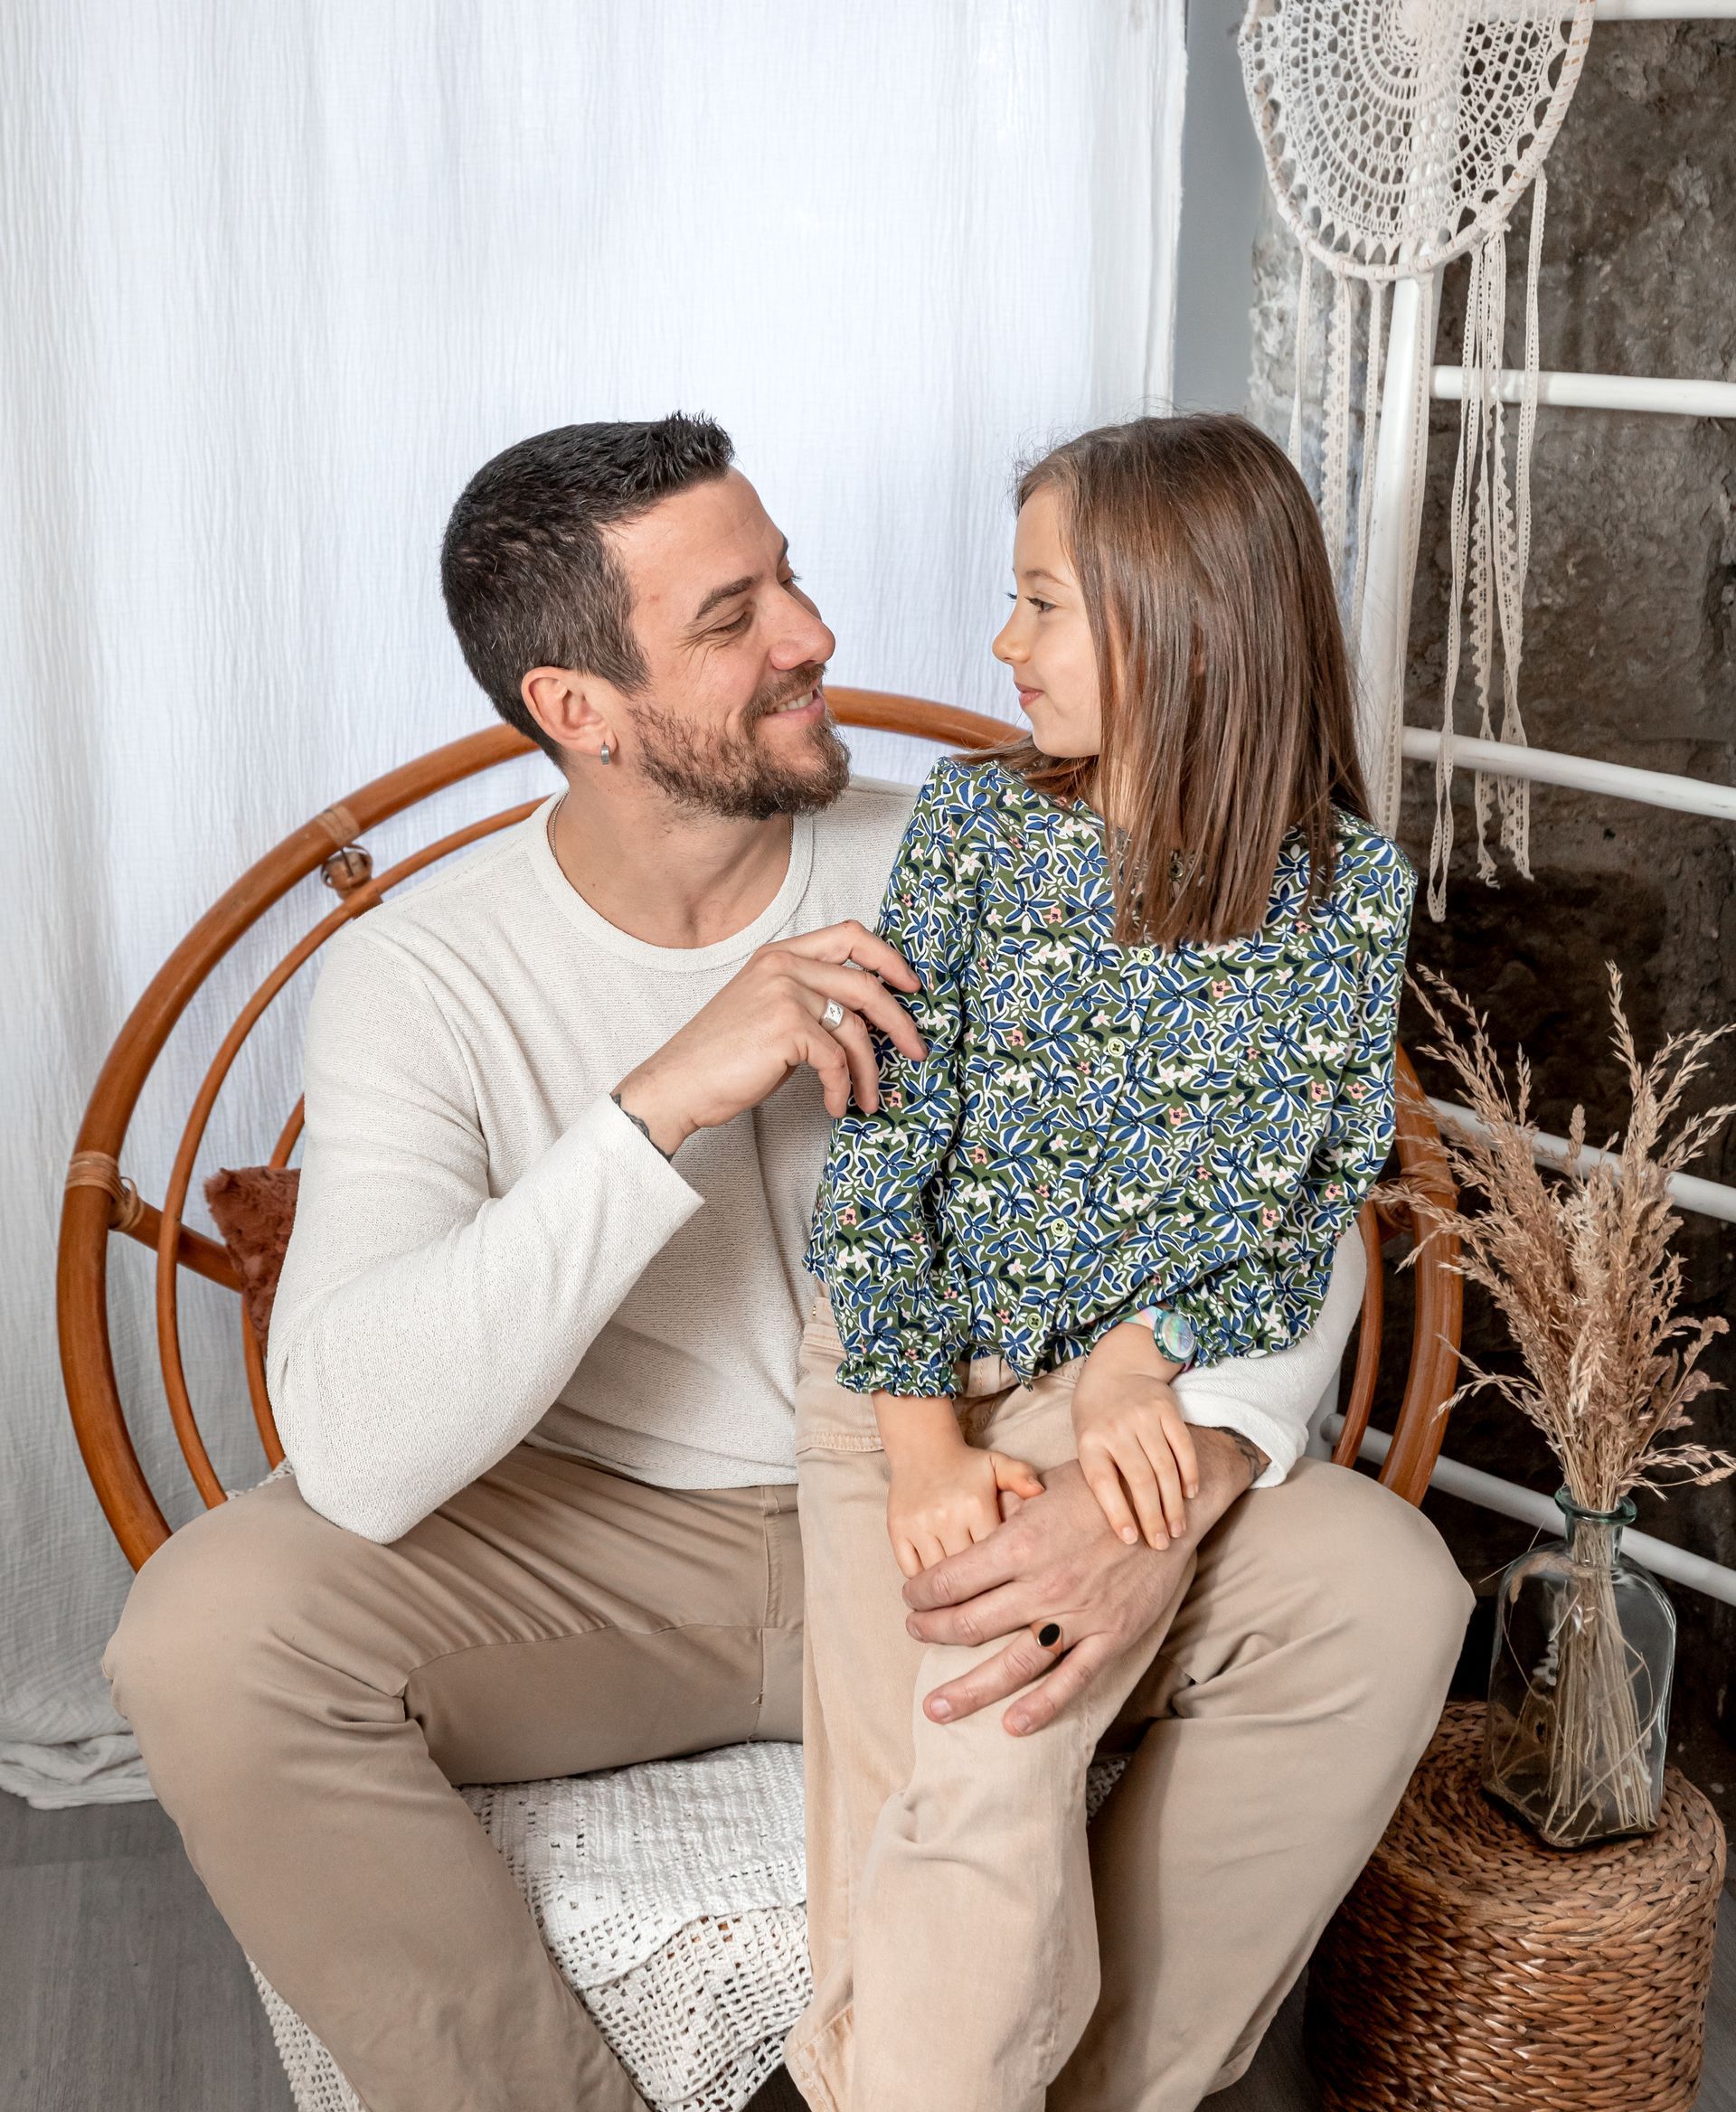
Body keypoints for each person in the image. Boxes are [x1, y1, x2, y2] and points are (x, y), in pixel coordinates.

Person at [101, 413, 1469, 2112]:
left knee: (1382, 1587)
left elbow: (1278, 1185)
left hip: (996, 1463)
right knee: (205, 1638)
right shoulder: (423, 972)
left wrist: (1176, 1475)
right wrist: (656, 1105)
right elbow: (361, 1455)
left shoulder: (993, 844)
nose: (813, 635)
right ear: (577, 711)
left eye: (791, 577)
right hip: (606, 1561)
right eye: (731, 616)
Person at [792, 413, 1414, 2112]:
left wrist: (1150, 1355)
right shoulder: (979, 835)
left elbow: (1305, 1198)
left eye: (1042, 604)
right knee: (912, 1799)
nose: (1003, 645)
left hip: (1104, 1402)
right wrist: (920, 1441)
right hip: (898, 1378)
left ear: (1180, 615)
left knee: (988, 1763)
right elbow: (884, 1153)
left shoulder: (1349, 894)